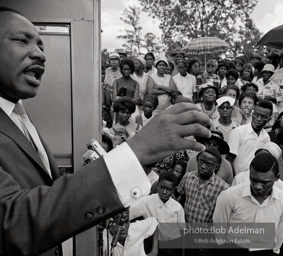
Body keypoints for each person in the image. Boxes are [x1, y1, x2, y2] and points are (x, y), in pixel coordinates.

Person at [0, 7, 212, 256]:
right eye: (21, 41)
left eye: (41, 46)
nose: (39, 54)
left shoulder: (18, 117)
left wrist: (142, 162)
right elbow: (14, 223)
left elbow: (48, 203)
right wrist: (134, 153)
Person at [213, 153, 283, 255]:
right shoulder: (229, 196)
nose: (258, 186)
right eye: (253, 180)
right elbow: (220, 228)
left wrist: (276, 251)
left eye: (265, 182)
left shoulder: (281, 200)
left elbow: (280, 232)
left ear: (276, 178)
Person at [130, 172, 185, 256]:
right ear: (157, 184)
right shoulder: (146, 201)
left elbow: (182, 230)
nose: (164, 192)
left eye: (168, 189)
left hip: (170, 247)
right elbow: (130, 213)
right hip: (150, 245)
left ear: (174, 189)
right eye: (162, 187)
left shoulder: (177, 207)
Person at [177, 147, 229, 224]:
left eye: (208, 164)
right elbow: (179, 198)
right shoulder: (187, 177)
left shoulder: (222, 187)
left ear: (216, 166)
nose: (203, 166)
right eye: (201, 162)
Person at [226, 100, 272, 175]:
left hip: (255, 178)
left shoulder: (266, 137)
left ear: (268, 119)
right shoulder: (238, 132)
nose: (259, 119)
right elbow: (229, 160)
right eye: (257, 115)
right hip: (238, 177)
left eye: (263, 117)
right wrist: (234, 178)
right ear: (252, 114)